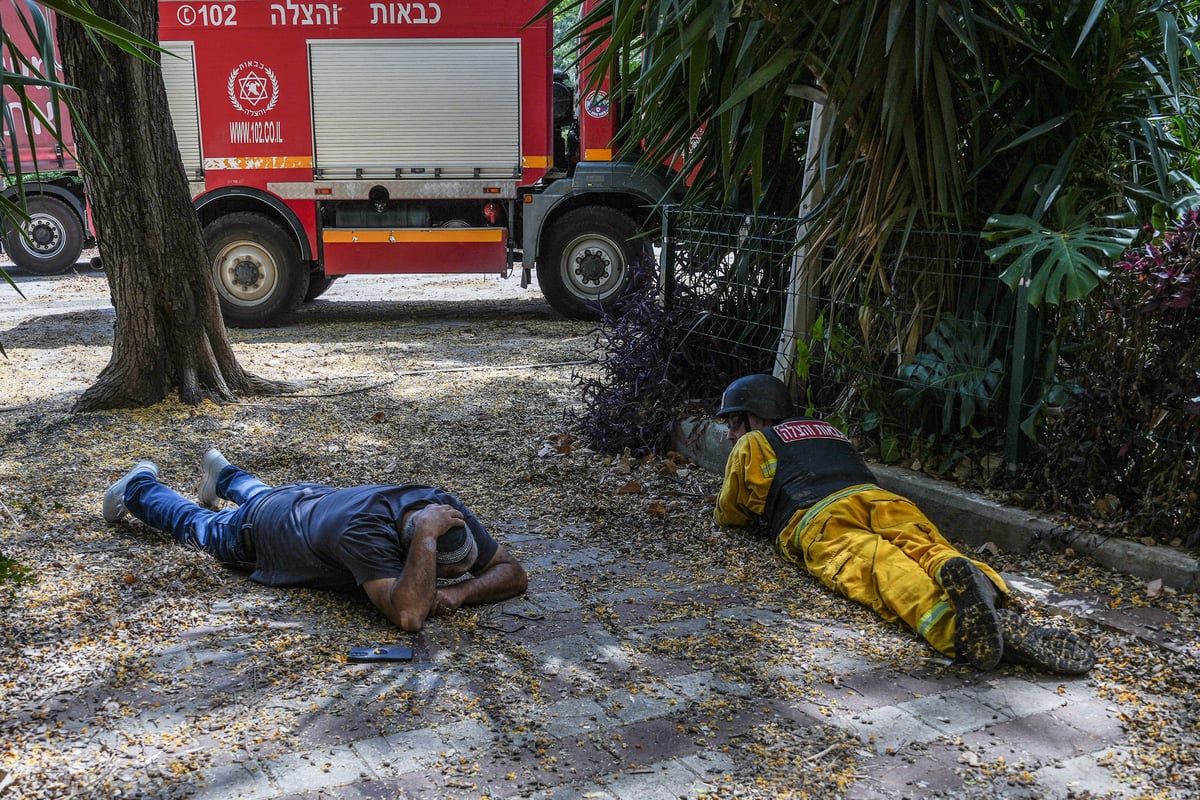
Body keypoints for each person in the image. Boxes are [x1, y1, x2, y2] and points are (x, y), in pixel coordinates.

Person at [713, 374, 1094, 674]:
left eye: (734, 422)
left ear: (757, 415)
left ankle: (956, 630)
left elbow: (730, 512)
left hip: (821, 516)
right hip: (882, 500)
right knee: (930, 548)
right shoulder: (830, 429)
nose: (731, 434)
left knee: (880, 565)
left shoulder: (754, 443)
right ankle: (988, 595)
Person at [103, 450, 528, 633]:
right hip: (264, 532)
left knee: (269, 496)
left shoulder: (440, 507)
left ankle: (225, 475)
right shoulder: (365, 537)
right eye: (438, 573)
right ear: (417, 541)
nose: (440, 584)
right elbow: (409, 616)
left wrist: (461, 592)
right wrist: (426, 549)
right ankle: (140, 485)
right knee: (201, 527)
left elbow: (513, 573)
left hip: (307, 498)